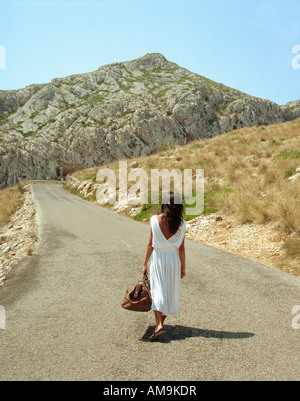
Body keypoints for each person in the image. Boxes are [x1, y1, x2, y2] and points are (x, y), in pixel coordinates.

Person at [142, 192, 186, 341]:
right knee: (169, 292)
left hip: (158, 259)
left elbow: (150, 244)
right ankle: (159, 324)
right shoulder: (181, 224)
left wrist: (144, 263)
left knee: (157, 290)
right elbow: (181, 248)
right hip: (173, 260)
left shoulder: (154, 220)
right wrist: (183, 267)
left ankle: (159, 325)